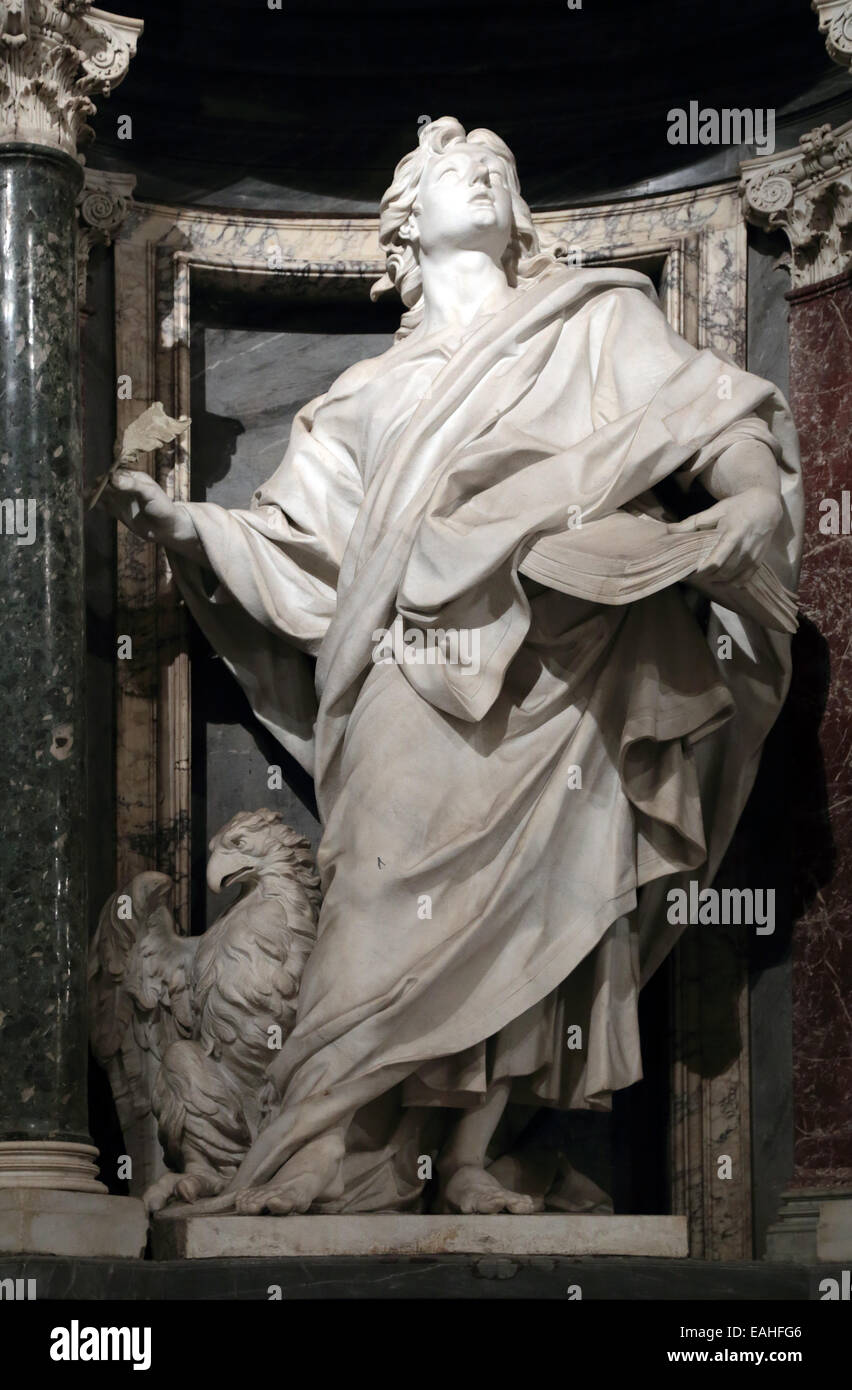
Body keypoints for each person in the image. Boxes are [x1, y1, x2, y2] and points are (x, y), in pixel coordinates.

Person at [101, 117, 802, 1216]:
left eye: (496, 163)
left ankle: (473, 1153)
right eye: (446, 167)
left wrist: (753, 496)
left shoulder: (592, 320)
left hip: (564, 667)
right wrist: (185, 527)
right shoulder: (362, 399)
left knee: (548, 902)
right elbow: (299, 551)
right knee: (374, 889)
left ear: (517, 213)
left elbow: (709, 415)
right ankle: (317, 1141)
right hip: (408, 674)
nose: (478, 164)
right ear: (406, 227)